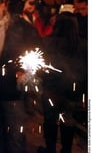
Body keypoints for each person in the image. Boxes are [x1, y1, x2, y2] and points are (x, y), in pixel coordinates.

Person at [0, 0, 42, 153]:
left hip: (12, 89)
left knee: (15, 133)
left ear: (3, 5)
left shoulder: (20, 26)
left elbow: (36, 50)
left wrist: (25, 69)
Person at [37, 12, 87, 153]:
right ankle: (66, 150)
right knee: (68, 121)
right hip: (73, 90)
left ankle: (50, 149)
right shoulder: (83, 44)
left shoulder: (47, 42)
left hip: (51, 89)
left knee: (50, 121)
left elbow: (40, 66)